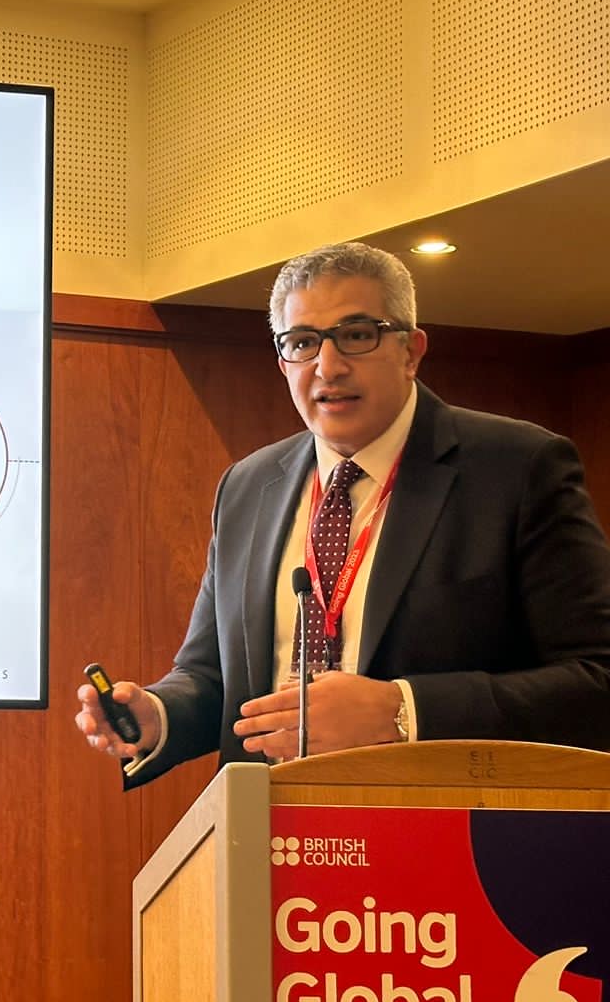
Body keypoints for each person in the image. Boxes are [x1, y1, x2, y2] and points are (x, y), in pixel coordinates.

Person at [76, 241, 610, 785]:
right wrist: (157, 715)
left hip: (444, 824)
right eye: (302, 342)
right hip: (267, 825)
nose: (327, 367)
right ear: (283, 361)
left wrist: (401, 711)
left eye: (357, 335)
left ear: (411, 351)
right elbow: (212, 675)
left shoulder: (516, 469)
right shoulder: (247, 486)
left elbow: (597, 679)